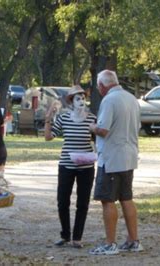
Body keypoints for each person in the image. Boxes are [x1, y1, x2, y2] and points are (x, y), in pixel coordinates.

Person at [88, 70, 144, 255]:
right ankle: (133, 240)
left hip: (112, 157)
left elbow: (104, 129)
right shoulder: (131, 98)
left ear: (102, 86)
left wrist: (92, 127)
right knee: (126, 198)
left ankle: (110, 243)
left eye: (98, 86)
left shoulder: (109, 100)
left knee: (107, 199)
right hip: (129, 155)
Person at [44, 85, 96, 248]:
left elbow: (99, 139)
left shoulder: (92, 118)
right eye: (77, 98)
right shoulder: (64, 118)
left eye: (83, 98)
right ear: (71, 102)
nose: (81, 101)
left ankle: (77, 237)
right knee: (62, 201)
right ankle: (65, 234)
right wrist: (48, 118)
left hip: (86, 166)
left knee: (83, 202)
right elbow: (48, 137)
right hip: (66, 164)